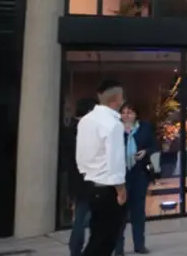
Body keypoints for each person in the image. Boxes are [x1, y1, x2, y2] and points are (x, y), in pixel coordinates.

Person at [76, 80, 128, 256]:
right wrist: (121, 189)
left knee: (97, 234)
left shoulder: (86, 120)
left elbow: (81, 155)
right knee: (106, 239)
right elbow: (115, 160)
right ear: (116, 98)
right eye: (121, 97)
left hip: (90, 182)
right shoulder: (113, 124)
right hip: (107, 187)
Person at [116, 103, 157, 256]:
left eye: (130, 112)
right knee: (120, 212)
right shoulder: (115, 129)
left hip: (139, 173)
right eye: (124, 112)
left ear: (136, 114)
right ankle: (118, 248)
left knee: (138, 211)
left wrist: (145, 152)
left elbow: (154, 145)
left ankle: (139, 244)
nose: (126, 115)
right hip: (121, 174)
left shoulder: (144, 128)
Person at [65, 98, 97, 256]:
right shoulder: (84, 131)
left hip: (76, 180)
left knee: (81, 215)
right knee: (83, 217)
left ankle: (76, 248)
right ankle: (77, 248)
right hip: (87, 180)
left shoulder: (70, 129)